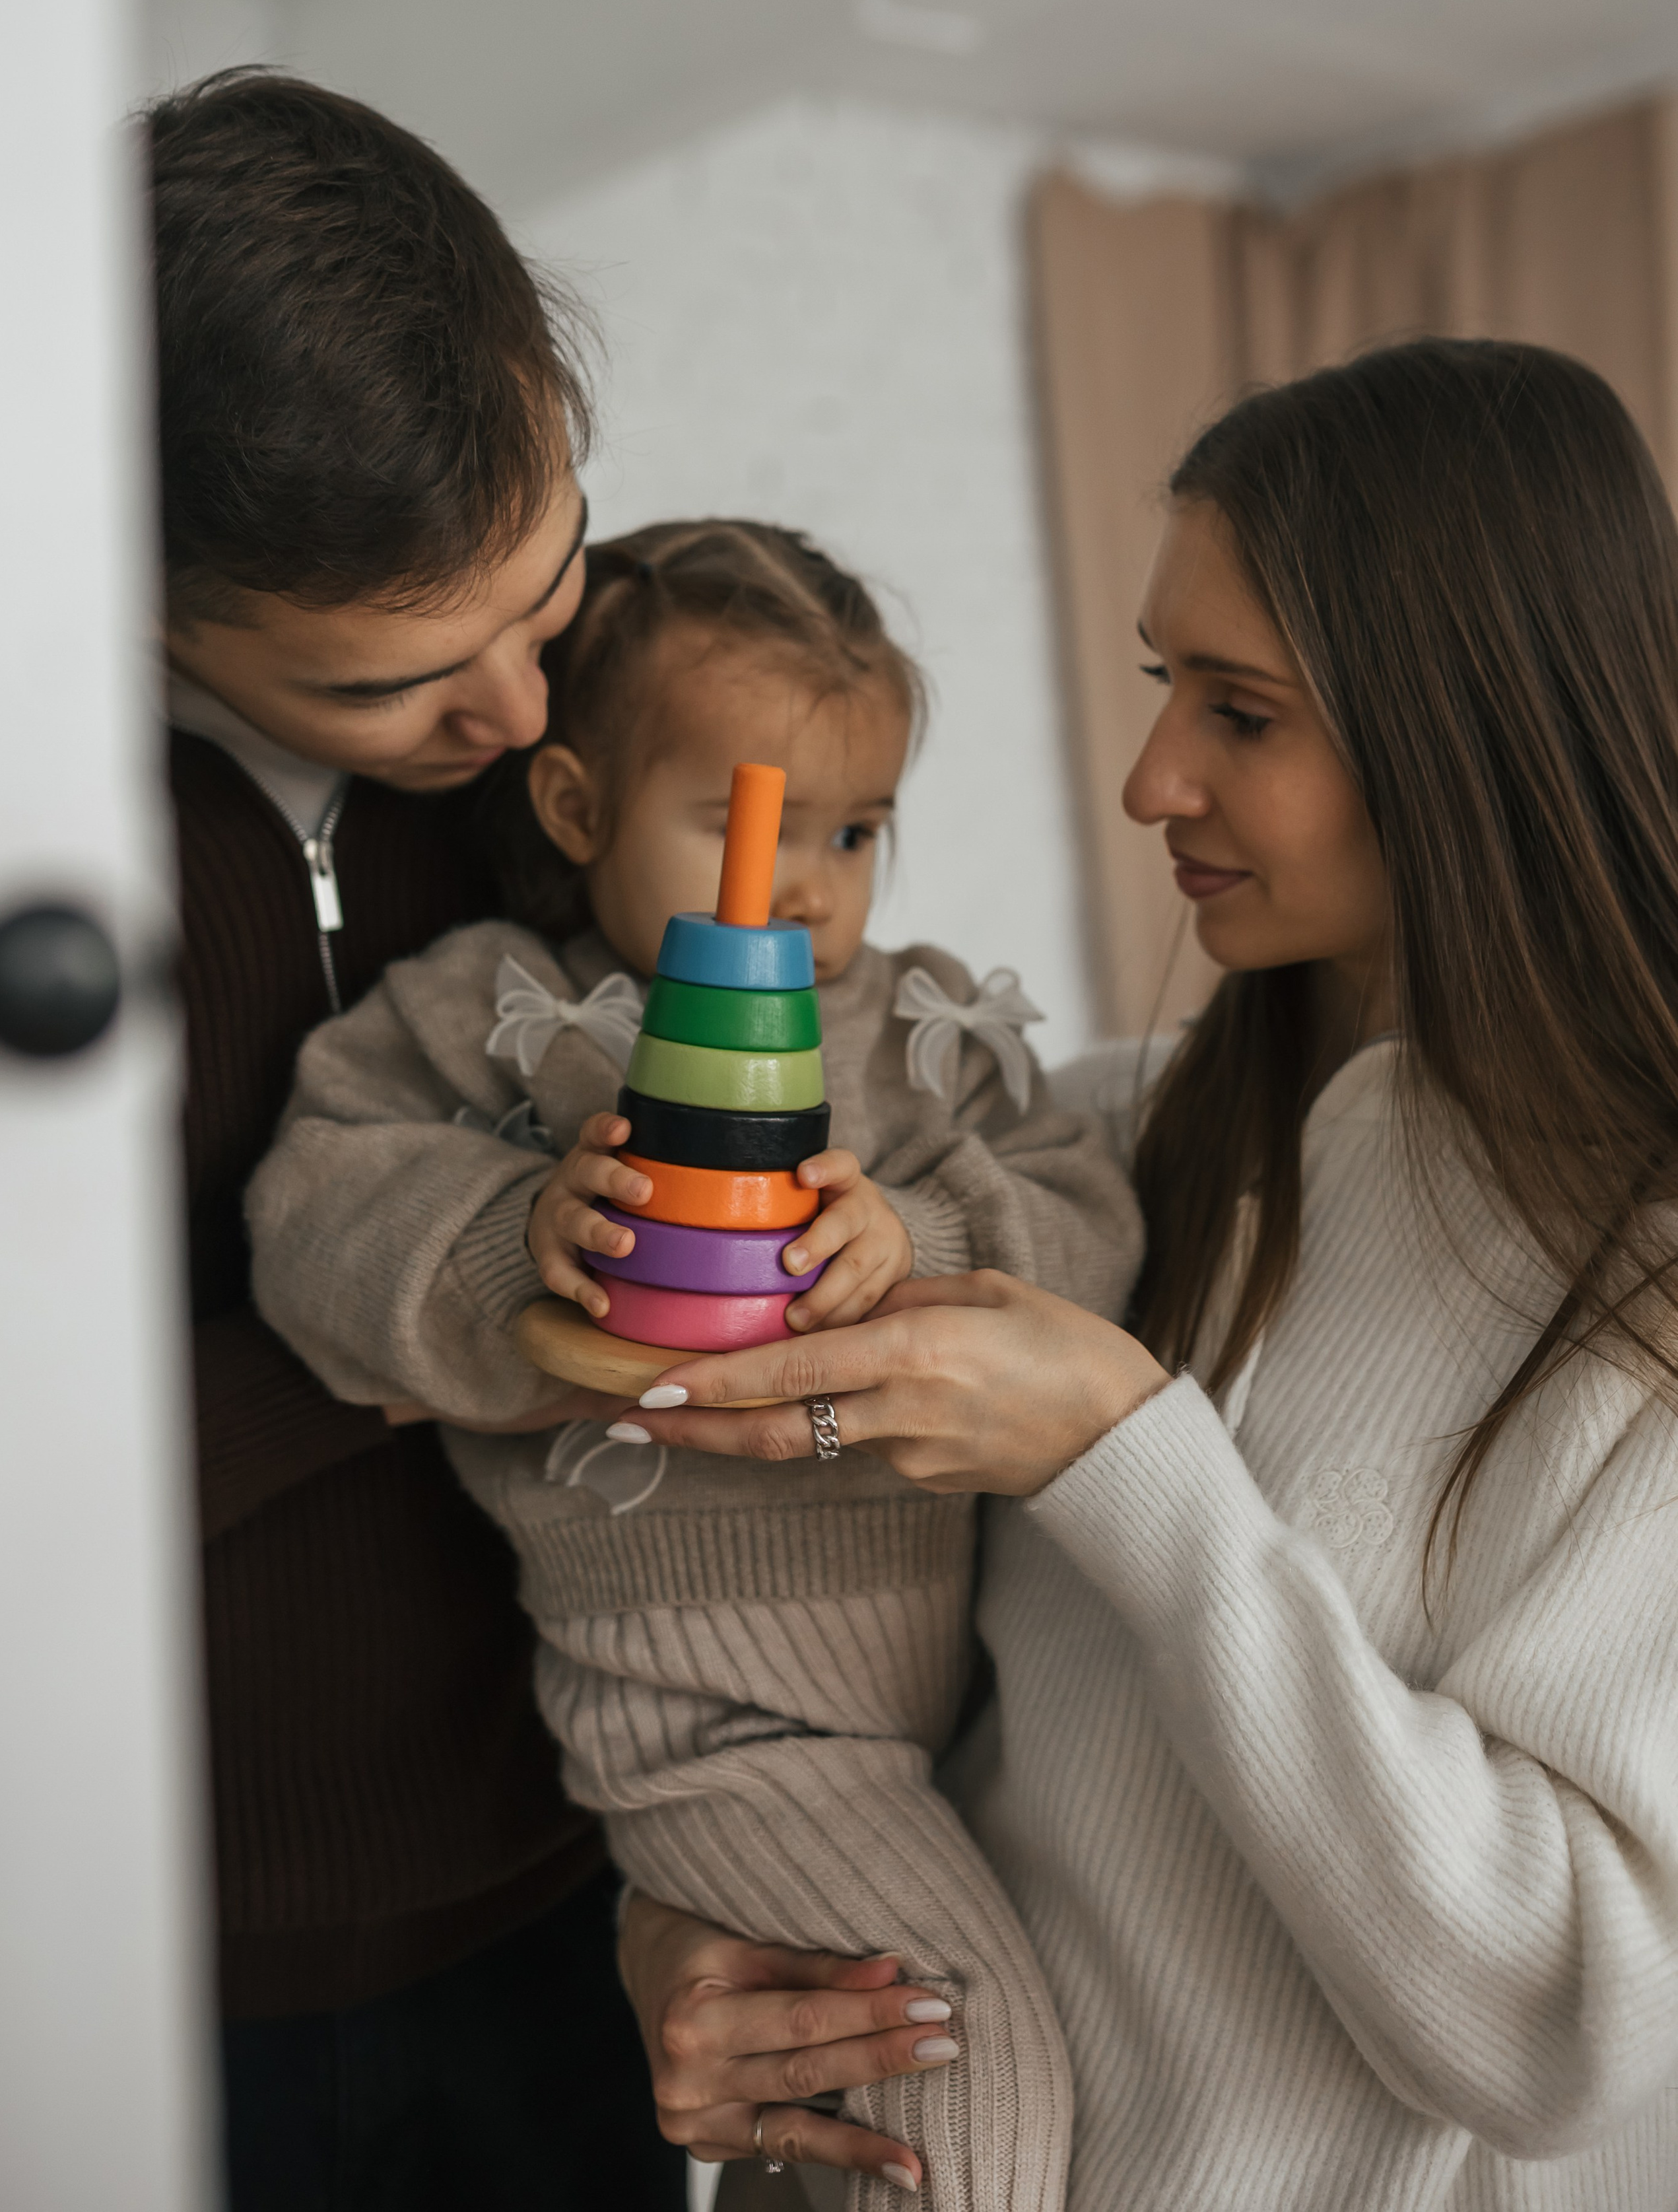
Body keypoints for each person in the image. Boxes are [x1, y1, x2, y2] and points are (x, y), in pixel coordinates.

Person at [600, 341, 1678, 2208]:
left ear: (1467, 727)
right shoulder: (1083, 1151)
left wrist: (1133, 1461)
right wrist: (684, 1936)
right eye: (1162, 684)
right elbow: (835, 1668)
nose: (1147, 777)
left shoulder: (1641, 1284)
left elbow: (1561, 2031)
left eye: (1240, 713)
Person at [246, 518, 1145, 2207]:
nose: (803, 885)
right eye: (742, 821)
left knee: (830, 2140)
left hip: (955, 1696)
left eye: (854, 829)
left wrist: (926, 1250)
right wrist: (522, 1227)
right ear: (578, 810)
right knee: (963, 2090)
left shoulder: (916, 1027)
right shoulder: (491, 1018)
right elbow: (318, 1208)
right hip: (706, 1715)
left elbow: (1089, 1221)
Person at [151, 69, 684, 2208]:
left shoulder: (630, 697)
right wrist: (439, 1312)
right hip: (153, 1967)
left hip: (590, 1888)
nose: (527, 730)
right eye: (397, 688)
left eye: (542, 597)